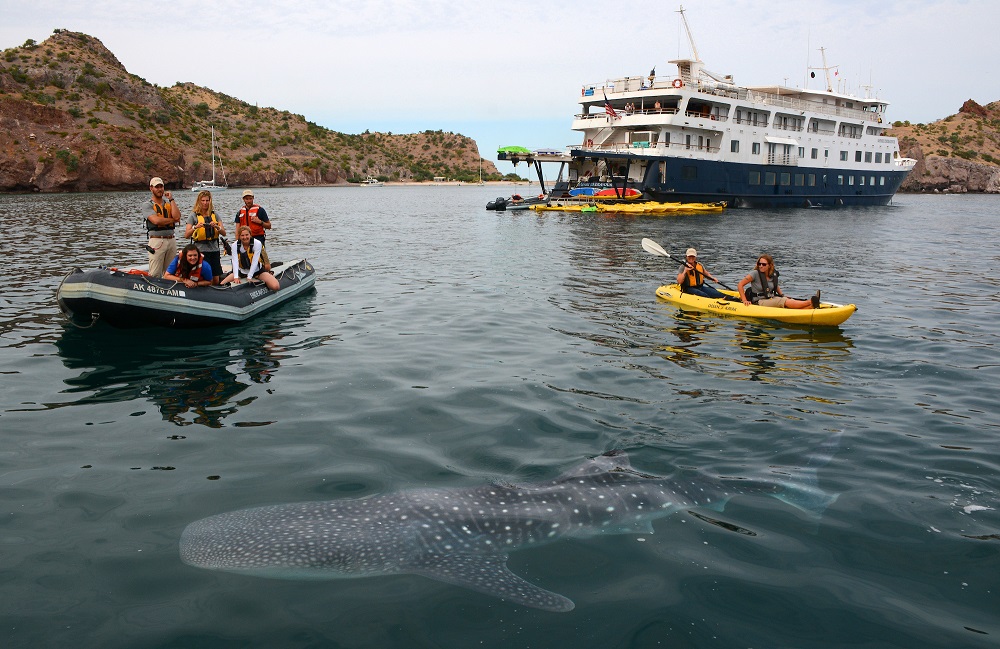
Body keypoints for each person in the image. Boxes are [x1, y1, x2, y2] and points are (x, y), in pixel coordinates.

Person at [737, 254, 820, 309]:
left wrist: (782, 295)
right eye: (759, 264)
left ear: (769, 265)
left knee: (785, 299)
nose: (761, 266)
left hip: (770, 298)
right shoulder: (754, 274)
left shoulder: (772, 274)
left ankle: (810, 307)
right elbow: (740, 285)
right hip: (759, 301)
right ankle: (810, 302)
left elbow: (775, 286)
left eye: (764, 264)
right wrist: (744, 300)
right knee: (782, 301)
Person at [141, 177, 181, 277]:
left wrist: (171, 199)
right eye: (156, 187)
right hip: (157, 241)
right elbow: (156, 220)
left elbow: (177, 216)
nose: (159, 189)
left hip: (171, 240)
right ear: (151, 188)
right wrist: (173, 220)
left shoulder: (168, 204)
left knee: (171, 272)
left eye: (161, 187)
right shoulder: (147, 205)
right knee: (155, 273)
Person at [185, 190, 226, 285]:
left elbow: (223, 233)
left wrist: (216, 227)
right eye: (203, 201)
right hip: (201, 250)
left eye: (207, 200)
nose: (205, 203)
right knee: (206, 276)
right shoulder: (193, 216)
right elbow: (186, 235)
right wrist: (195, 227)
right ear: (199, 201)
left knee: (216, 278)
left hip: (214, 249)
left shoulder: (215, 215)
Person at [221, 226, 280, 291]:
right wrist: (236, 277)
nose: (245, 237)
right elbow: (235, 261)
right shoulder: (235, 245)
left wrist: (250, 276)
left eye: (247, 235)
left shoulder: (257, 243)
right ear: (239, 236)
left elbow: (255, 260)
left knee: (275, 286)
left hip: (257, 272)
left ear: (250, 235)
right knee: (222, 284)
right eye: (242, 235)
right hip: (242, 272)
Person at [234, 189, 271, 271]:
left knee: (264, 260)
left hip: (258, 238)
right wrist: (237, 242)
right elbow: (237, 229)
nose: (248, 201)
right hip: (244, 239)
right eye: (246, 199)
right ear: (243, 199)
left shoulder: (260, 210)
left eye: (250, 198)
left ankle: (266, 272)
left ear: (253, 198)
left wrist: (260, 222)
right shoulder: (239, 212)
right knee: (245, 259)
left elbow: (269, 225)